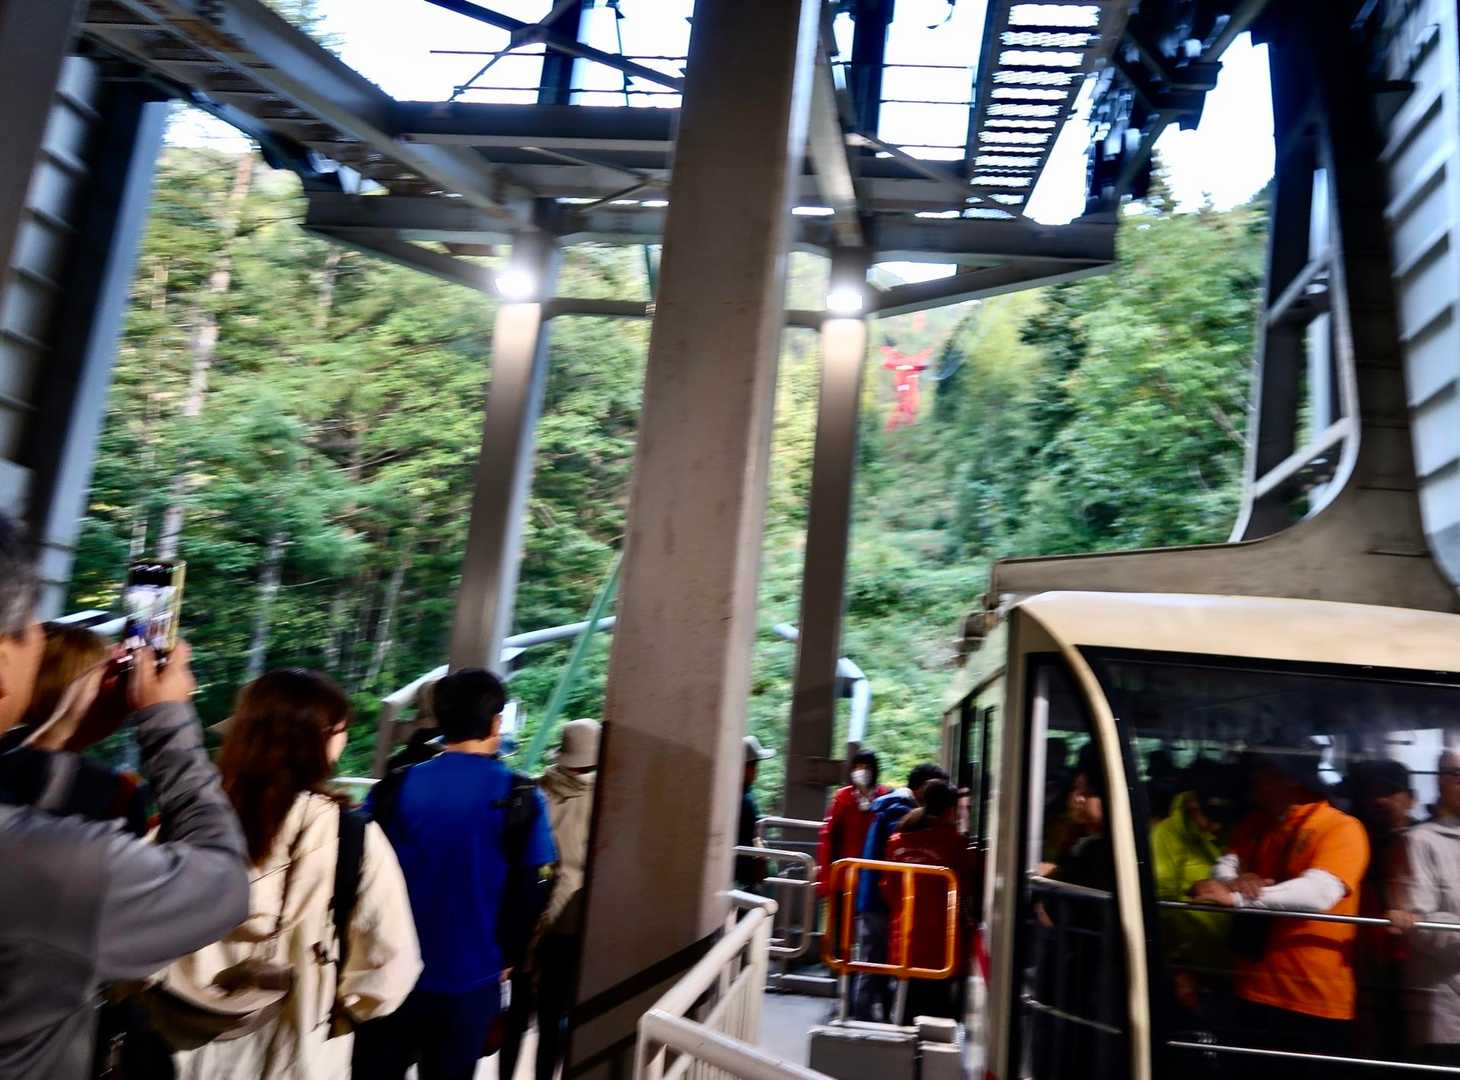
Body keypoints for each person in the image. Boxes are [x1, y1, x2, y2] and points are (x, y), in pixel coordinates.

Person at [0, 514, 251, 1080]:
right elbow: (221, 883)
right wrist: (166, 720)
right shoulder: (60, 864)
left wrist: (63, 735)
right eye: (28, 627)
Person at [164, 670, 420, 1079]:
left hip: (181, 1047)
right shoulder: (350, 836)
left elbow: (128, 936)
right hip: (299, 1053)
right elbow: (390, 964)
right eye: (341, 729)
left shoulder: (182, 823)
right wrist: (341, 1009)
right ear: (320, 740)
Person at [356, 668, 556, 1080]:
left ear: (440, 720)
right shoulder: (520, 795)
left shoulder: (395, 786)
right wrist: (511, 954)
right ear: (496, 723)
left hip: (388, 968)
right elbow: (533, 884)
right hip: (472, 977)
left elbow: (358, 862)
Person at [1190, 746, 1369, 1079]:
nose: (1253, 778)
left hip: (1313, 999)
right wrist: (1235, 881)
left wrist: (1238, 898)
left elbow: (1320, 892)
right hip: (1252, 989)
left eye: (1263, 769)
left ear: (1290, 778)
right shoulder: (1255, 825)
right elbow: (1225, 865)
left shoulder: (1341, 827)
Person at [500, 718, 600, 1080]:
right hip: (569, 923)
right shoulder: (604, 800)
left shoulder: (535, 790)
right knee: (553, 1016)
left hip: (525, 916)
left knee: (515, 1014)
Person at [851, 762, 947, 1022]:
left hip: (874, 895)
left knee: (876, 959)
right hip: (880, 899)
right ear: (922, 788)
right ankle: (860, 1018)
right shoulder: (899, 811)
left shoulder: (891, 805)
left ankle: (872, 1016)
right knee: (873, 961)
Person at [880, 780, 975, 1024]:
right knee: (937, 1009)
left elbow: (888, 888)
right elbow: (967, 884)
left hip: (905, 935)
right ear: (951, 810)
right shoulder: (954, 843)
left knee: (906, 1001)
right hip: (942, 941)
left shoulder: (897, 841)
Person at [1150, 759, 1238, 1016]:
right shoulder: (1167, 835)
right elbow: (1162, 906)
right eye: (1209, 816)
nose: (1216, 825)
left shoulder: (1234, 829)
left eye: (1221, 817)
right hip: (1191, 967)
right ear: (1192, 803)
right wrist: (1178, 967)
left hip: (1234, 964)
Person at [1390, 750, 1460, 1065]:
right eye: (1457, 776)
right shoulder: (1420, 841)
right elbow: (1417, 923)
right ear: (1441, 781)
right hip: (1446, 1013)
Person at [1349, 758, 1415, 1061]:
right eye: (1372, 792)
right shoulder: (1355, 838)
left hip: (1413, 961)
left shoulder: (1423, 839)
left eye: (1388, 791)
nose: (1379, 800)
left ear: (1410, 799)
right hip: (1363, 959)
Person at [816, 749, 891, 899]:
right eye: (858, 767)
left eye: (867, 767)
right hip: (844, 871)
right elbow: (829, 837)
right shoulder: (843, 797)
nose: (862, 772)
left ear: (874, 770)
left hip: (874, 873)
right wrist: (825, 876)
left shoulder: (885, 797)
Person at [735, 735, 775, 892]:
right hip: (742, 876)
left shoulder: (745, 794)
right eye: (753, 765)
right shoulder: (744, 800)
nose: (756, 771)